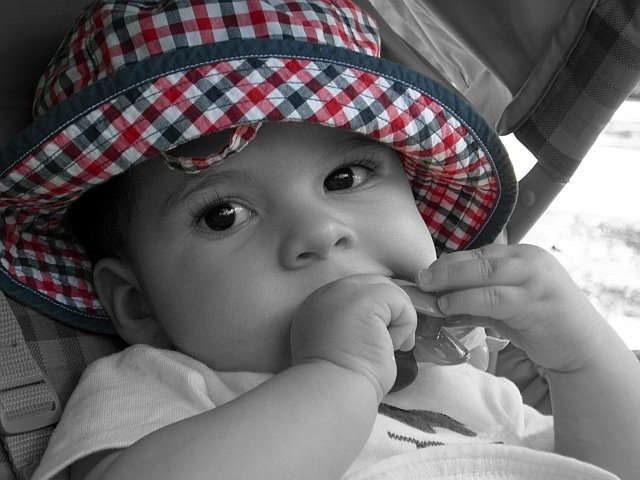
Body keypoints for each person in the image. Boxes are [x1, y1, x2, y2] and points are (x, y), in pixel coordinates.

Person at [0, 1, 638, 479]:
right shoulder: (163, 387)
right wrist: (339, 376)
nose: (320, 232)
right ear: (137, 303)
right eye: (223, 215)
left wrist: (581, 356)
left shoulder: (474, 390)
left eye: (345, 177)